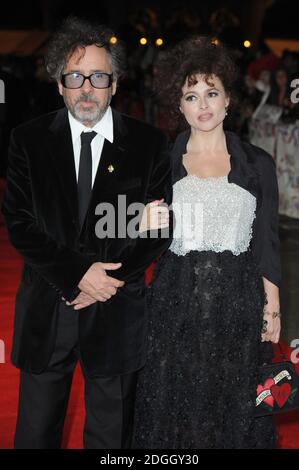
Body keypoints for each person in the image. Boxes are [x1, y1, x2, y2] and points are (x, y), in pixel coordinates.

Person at [2, 16, 172, 449]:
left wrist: (103, 282)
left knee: (112, 437)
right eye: (75, 76)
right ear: (59, 84)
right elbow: (20, 224)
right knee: (36, 433)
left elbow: (157, 230)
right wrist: (79, 274)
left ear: (115, 84)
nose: (86, 88)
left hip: (116, 312)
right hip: (48, 309)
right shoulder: (29, 140)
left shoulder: (150, 145)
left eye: (98, 76)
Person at [133, 36, 281, 449]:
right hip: (173, 304)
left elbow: (266, 240)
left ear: (228, 99)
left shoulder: (257, 164)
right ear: (178, 106)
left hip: (239, 303)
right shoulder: (162, 164)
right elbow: (137, 238)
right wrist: (141, 222)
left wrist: (273, 306)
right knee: (176, 404)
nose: (203, 105)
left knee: (232, 403)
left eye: (211, 93)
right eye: (191, 95)